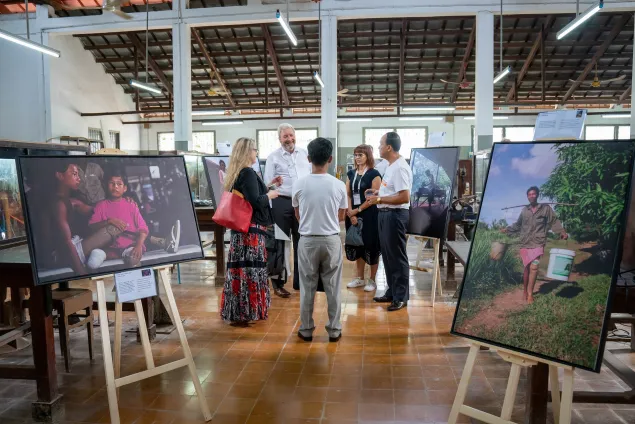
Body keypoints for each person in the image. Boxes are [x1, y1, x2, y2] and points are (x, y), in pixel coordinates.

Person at [292, 137, 347, 342]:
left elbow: (297, 214)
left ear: (308, 158)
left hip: (307, 240)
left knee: (307, 287)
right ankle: (334, 329)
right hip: (331, 240)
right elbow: (341, 215)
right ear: (330, 159)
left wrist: (311, 223)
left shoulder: (299, 184)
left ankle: (306, 329)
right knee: (333, 286)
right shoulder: (339, 185)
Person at [220, 137, 280, 325]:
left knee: (242, 271)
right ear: (247, 152)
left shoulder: (239, 172)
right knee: (249, 272)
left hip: (243, 231)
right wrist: (270, 194)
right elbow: (256, 201)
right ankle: (246, 311)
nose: (256, 153)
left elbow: (250, 195)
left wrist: (268, 185)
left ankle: (240, 311)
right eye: (255, 149)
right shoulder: (247, 172)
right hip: (250, 232)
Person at [365, 132, 413, 312]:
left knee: (397, 256)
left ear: (389, 147)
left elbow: (404, 197)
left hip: (395, 215)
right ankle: (392, 292)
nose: (378, 147)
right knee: (387, 255)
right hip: (385, 214)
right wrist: (379, 194)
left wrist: (379, 200)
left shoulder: (400, 167)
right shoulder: (390, 165)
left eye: (380, 144)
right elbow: (393, 191)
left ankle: (401, 297)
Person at [263, 123, 311, 298]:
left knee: (302, 242)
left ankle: (300, 281)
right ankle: (278, 283)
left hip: (303, 203)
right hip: (281, 203)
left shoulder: (304, 154)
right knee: (279, 244)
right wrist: (274, 182)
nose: (289, 139)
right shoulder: (273, 157)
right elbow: (267, 184)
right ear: (279, 139)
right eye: (285, 136)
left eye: (291, 135)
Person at [501, 186, 567, 304]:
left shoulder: (545, 209)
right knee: (526, 268)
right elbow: (518, 225)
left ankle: (530, 293)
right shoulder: (524, 210)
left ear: (537, 195)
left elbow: (554, 221)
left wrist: (561, 232)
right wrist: (507, 229)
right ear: (527, 197)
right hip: (525, 242)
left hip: (538, 242)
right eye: (529, 194)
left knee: (534, 267)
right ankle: (524, 291)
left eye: (534, 194)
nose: (531, 196)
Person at [88, 169, 151, 268]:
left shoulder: (131, 205)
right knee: (92, 263)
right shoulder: (101, 206)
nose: (115, 186)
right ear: (106, 186)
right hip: (107, 249)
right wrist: (109, 221)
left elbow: (143, 229)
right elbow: (92, 226)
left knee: (133, 259)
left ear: (125, 188)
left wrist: (139, 246)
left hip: (130, 246)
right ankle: (109, 255)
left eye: (119, 184)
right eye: (112, 183)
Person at [345, 144, 382, 292]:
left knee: (371, 246)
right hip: (353, 214)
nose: (357, 158)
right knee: (357, 245)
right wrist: (350, 212)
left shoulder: (374, 174)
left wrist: (357, 210)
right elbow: (347, 194)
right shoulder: (351, 174)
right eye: (356, 155)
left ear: (368, 156)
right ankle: (359, 278)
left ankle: (372, 280)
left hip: (369, 214)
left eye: (360, 155)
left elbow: (373, 198)